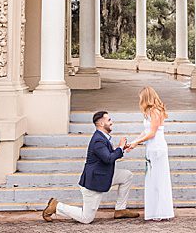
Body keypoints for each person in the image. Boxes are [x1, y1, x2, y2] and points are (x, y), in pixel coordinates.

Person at [42, 110, 140, 223]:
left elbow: (108, 156)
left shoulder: (102, 137)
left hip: (103, 175)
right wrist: (120, 147)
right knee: (86, 218)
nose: (111, 122)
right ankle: (57, 206)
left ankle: (120, 210)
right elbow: (108, 158)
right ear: (101, 124)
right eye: (109, 120)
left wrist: (122, 149)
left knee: (126, 175)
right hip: (94, 181)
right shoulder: (98, 140)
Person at [128, 86, 174, 221]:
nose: (140, 101)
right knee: (152, 180)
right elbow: (146, 132)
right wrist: (134, 142)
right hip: (151, 147)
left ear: (146, 98)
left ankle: (161, 212)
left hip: (157, 148)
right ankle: (155, 211)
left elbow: (152, 133)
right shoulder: (149, 112)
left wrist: (137, 143)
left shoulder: (155, 111)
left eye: (141, 98)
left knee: (158, 180)